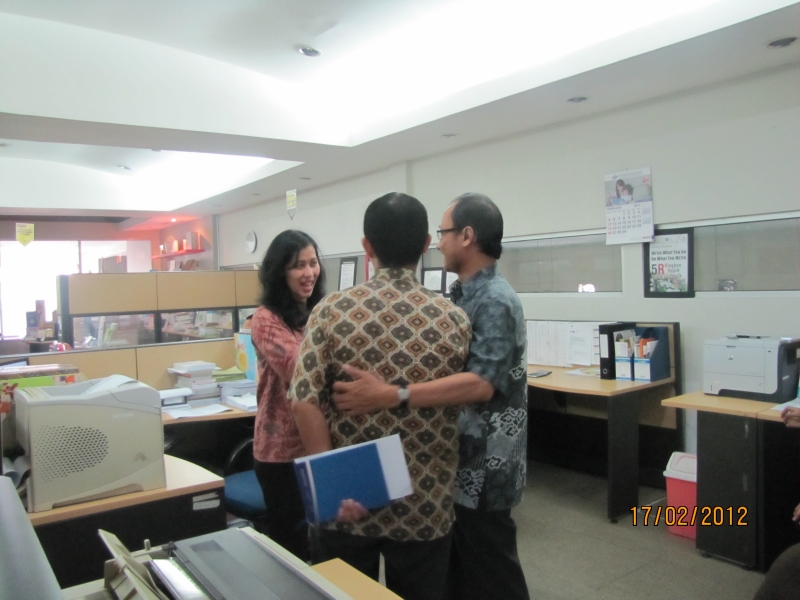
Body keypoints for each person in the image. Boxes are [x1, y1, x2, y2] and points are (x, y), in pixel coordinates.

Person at [332, 193, 530, 600]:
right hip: (453, 463)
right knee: (459, 576)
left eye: (444, 233)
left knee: (493, 574)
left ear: (467, 236)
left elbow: (480, 384)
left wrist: (392, 395)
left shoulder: (495, 300)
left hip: (484, 463)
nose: (439, 243)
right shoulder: (461, 295)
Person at [290, 192, 472, 600]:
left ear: (366, 247)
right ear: (426, 244)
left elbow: (303, 399)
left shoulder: (331, 311)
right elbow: (467, 392)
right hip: (425, 502)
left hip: (349, 502)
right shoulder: (455, 319)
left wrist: (334, 487)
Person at [250, 229, 325, 562]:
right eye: (298, 266)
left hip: (319, 442)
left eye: (313, 263)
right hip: (281, 453)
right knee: (291, 550)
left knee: (326, 545)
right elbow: (301, 370)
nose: (309, 273)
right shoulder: (265, 319)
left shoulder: (320, 311)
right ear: (280, 271)